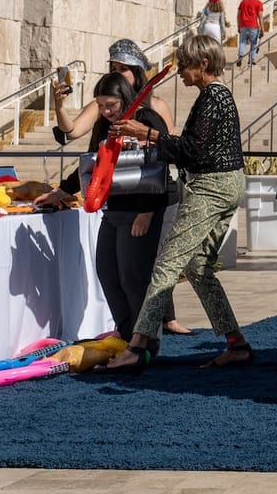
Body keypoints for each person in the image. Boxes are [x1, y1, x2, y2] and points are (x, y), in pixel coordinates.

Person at [105, 34, 252, 372]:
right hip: (227, 184)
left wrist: (147, 134)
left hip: (211, 187)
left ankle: (137, 346)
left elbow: (191, 150)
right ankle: (237, 344)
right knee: (198, 268)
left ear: (203, 64)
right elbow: (193, 147)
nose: (181, 71)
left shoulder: (212, 97)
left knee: (167, 265)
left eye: (185, 65)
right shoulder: (217, 96)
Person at [52, 39, 187, 335]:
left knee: (134, 276)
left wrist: (147, 212)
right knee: (108, 273)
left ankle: (144, 339)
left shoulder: (147, 116)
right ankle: (127, 335)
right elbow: (93, 160)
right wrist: (63, 190)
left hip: (142, 208)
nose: (105, 111)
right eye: (101, 106)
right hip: (114, 208)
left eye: (110, 106)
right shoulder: (106, 121)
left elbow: (160, 164)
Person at [236, 0, 266, 67]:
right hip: (253, 26)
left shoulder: (243, 2)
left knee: (242, 42)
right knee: (254, 43)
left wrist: (239, 26)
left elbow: (238, 15)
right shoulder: (258, 3)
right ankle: (252, 60)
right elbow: (260, 16)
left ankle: (240, 55)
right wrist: (262, 29)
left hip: (243, 25)